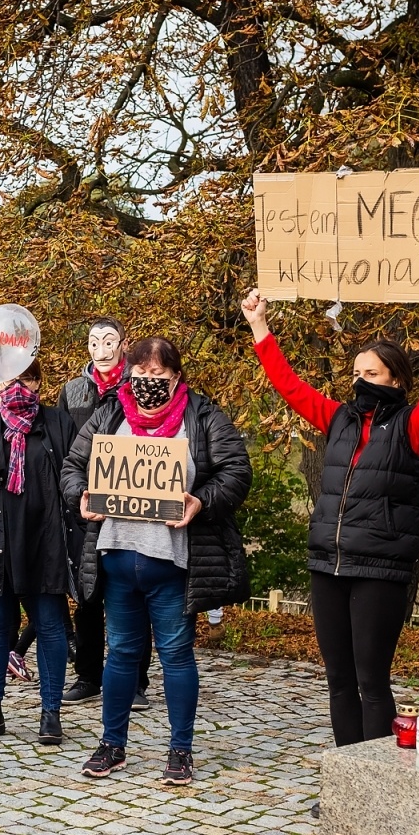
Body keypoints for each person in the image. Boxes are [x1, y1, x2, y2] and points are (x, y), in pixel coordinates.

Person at [242, 289, 419, 749]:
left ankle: (376, 780)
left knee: (371, 681)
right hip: (328, 564)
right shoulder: (340, 419)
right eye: (356, 374)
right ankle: (346, 776)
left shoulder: (412, 427)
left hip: (378, 568)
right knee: (338, 681)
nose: (360, 382)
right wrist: (260, 327)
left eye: (371, 374)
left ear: (396, 379)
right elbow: (290, 386)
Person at [63, 336, 253, 785]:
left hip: (173, 563)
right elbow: (72, 466)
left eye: (158, 375)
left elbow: (237, 471)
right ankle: (112, 744)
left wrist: (201, 501)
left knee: (175, 655)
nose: (147, 382)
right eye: (140, 374)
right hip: (117, 559)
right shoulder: (110, 413)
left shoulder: (202, 417)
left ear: (176, 377)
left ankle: (180, 750)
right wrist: (81, 495)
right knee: (121, 653)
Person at [0, 359, 79, 747]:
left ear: (38, 382)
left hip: (46, 543)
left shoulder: (58, 423)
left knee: (51, 627)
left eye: (25, 377)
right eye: (10, 378)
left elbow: (76, 475)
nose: (17, 386)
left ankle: (51, 712)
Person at [56, 318, 150, 708]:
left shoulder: (141, 385)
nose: (102, 349)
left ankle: (137, 681)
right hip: (86, 509)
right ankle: (89, 675)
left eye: (109, 341)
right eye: (94, 342)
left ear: (124, 345)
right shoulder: (73, 391)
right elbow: (67, 451)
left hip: (131, 506)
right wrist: (73, 497)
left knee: (133, 594)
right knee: (88, 596)